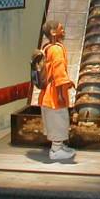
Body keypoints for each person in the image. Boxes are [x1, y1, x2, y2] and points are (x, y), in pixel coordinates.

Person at [38, 20, 76, 160]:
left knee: (55, 120)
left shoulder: (47, 47)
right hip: (54, 94)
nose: (63, 31)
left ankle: (59, 146)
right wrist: (60, 94)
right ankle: (56, 150)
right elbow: (58, 73)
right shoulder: (56, 50)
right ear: (53, 32)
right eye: (61, 29)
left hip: (48, 92)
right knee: (58, 120)